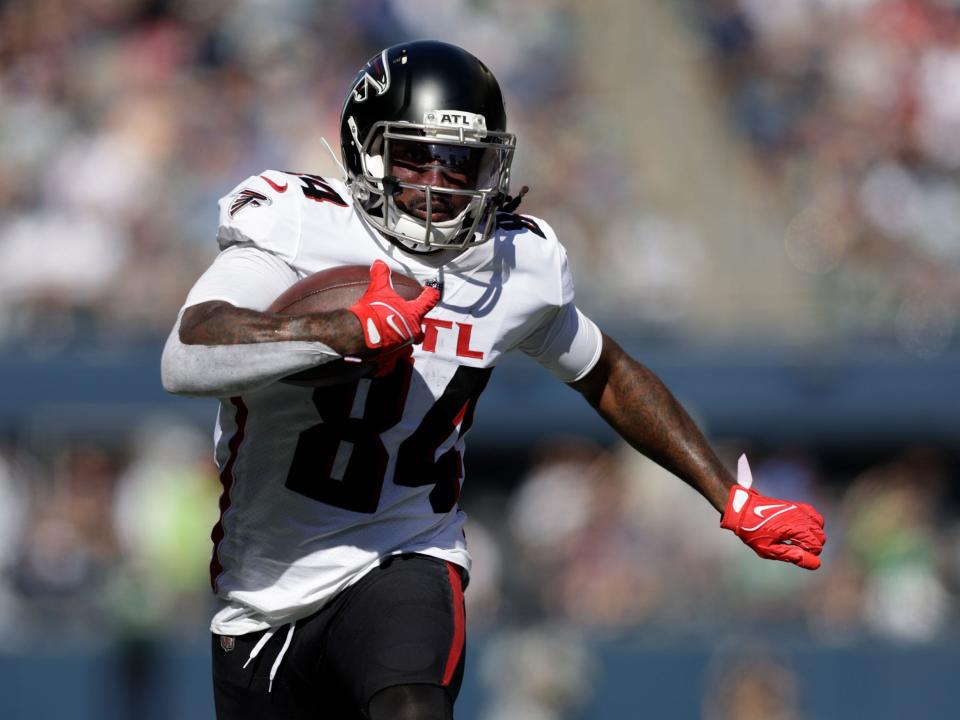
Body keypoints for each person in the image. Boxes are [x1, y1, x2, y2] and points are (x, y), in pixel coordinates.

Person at [161, 40, 826, 720]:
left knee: (413, 705)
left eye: (460, 163)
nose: (438, 182)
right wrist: (334, 331)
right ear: (366, 152)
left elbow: (607, 371)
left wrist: (728, 495)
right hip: (263, 591)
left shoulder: (516, 264)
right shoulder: (301, 226)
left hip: (407, 548)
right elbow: (186, 352)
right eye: (415, 155)